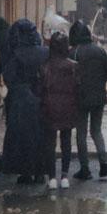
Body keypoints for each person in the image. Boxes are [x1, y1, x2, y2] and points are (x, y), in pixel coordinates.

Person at [2, 19, 49, 184]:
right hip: (43, 100)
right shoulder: (45, 53)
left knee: (23, 139)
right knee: (41, 137)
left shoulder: (16, 54)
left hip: (21, 102)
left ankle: (26, 172)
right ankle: (41, 172)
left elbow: (8, 77)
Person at [69, 20, 107, 181]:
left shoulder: (73, 53)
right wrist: (99, 81)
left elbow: (69, 78)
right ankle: (104, 167)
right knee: (96, 131)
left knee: (81, 134)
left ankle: (85, 169)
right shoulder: (99, 51)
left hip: (80, 99)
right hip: (98, 97)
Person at [38, 32, 79, 190]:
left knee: (50, 143)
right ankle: (64, 176)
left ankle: (52, 177)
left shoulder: (44, 66)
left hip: (49, 108)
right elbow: (78, 88)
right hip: (68, 107)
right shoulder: (73, 66)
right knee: (66, 142)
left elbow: (39, 89)